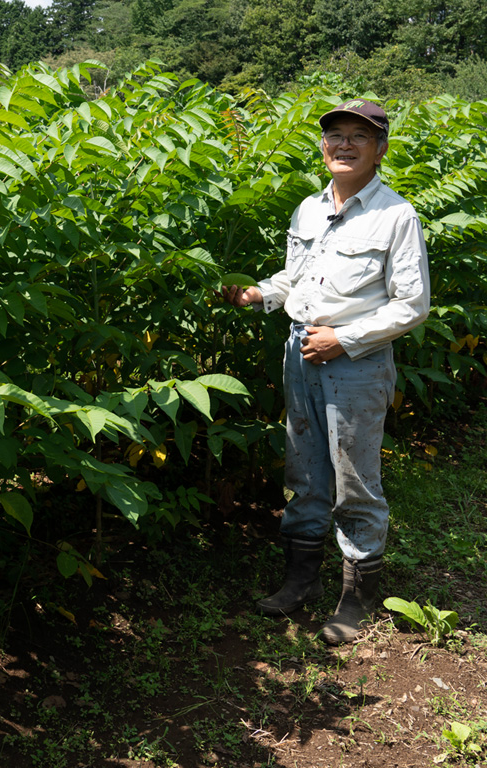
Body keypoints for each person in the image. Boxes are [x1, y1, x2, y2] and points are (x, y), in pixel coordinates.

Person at [224, 99, 431, 644]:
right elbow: (298, 278)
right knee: (305, 470)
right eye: (335, 135)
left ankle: (356, 596)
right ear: (323, 146)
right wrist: (259, 293)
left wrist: (344, 338)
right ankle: (300, 580)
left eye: (358, 137)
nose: (344, 144)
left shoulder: (396, 215)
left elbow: (412, 305)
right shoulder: (308, 209)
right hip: (300, 353)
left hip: (356, 363)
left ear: (380, 149)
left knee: (354, 478)